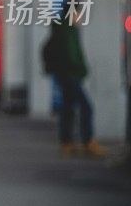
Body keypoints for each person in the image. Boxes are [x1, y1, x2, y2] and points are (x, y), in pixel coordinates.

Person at [44, 13, 107, 157]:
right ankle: (88, 141)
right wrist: (81, 70)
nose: (81, 18)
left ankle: (67, 142)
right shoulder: (68, 30)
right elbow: (72, 54)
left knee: (68, 108)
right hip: (70, 75)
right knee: (86, 107)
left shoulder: (61, 28)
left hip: (64, 75)